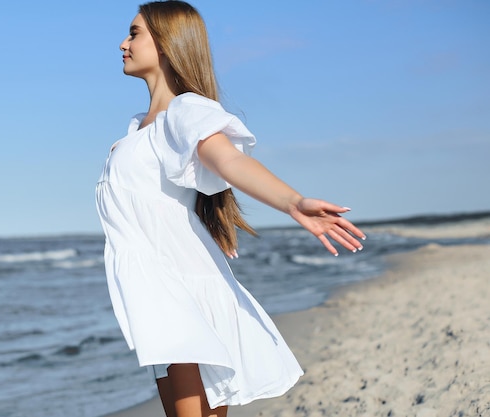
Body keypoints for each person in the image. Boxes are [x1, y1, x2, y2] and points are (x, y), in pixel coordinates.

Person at [95, 1, 366, 416]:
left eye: (134, 34)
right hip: (156, 273)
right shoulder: (138, 127)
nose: (122, 44)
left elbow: (230, 161)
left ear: (167, 44)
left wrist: (292, 201)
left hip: (173, 274)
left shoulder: (184, 112)